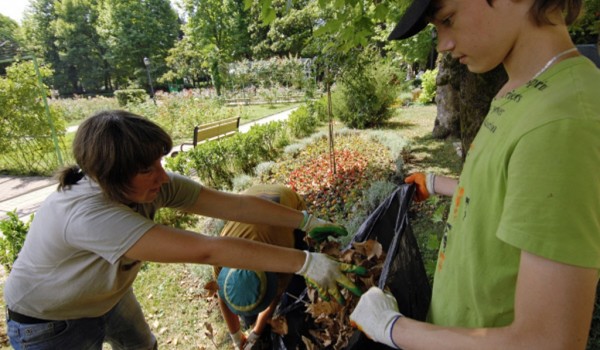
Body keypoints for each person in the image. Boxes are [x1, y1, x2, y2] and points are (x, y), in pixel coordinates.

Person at [350, 0, 600, 349]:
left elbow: (547, 340)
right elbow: (511, 191)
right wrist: (441, 184)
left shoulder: (562, 121)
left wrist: (391, 328)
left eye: (448, 19)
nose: (442, 44)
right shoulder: (519, 89)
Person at [3, 110, 364, 350]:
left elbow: (233, 204)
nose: (162, 176)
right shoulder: (88, 215)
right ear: (111, 176)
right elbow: (208, 250)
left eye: (160, 162)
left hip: (106, 298)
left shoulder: (148, 183)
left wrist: (305, 221)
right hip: (49, 323)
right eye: (148, 168)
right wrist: (305, 262)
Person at [213, 184, 313, 350]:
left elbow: (274, 298)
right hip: (251, 196)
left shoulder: (283, 260)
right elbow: (222, 297)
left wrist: (256, 333)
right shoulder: (219, 256)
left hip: (287, 202)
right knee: (251, 309)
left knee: (299, 277)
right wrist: (237, 339)